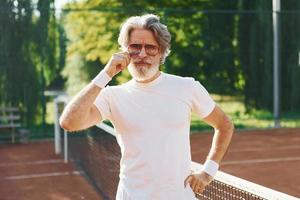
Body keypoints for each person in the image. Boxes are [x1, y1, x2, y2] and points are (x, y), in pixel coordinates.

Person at [60, 14, 234, 200]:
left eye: (150, 47)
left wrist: (208, 171)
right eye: (135, 47)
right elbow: (69, 122)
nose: (142, 54)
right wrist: (106, 74)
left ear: (161, 52)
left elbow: (224, 125)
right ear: (125, 51)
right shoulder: (112, 96)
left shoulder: (187, 87)